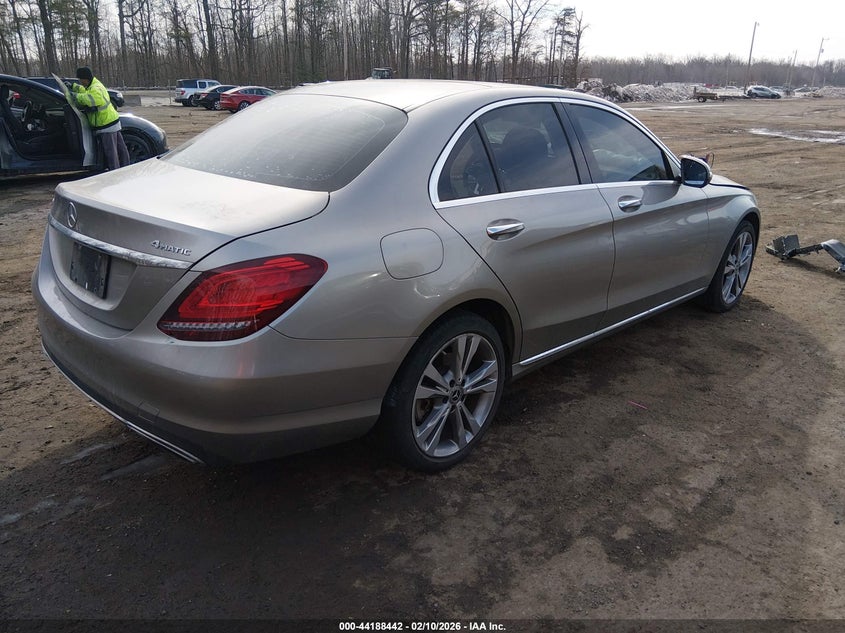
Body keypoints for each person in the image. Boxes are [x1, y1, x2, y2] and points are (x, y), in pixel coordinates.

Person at [68, 67, 129, 170]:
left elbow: (91, 99)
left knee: (111, 153)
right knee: (120, 148)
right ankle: (126, 168)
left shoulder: (95, 88)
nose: (80, 81)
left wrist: (76, 96)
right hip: (111, 121)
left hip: (106, 124)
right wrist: (74, 87)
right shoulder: (93, 85)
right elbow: (85, 91)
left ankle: (115, 172)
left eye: (80, 79)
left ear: (85, 78)